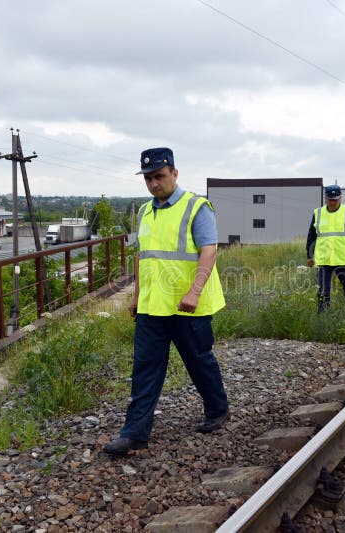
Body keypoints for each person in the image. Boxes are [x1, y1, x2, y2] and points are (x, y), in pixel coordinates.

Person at [104, 147, 229, 456]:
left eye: (159, 176)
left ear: (174, 173)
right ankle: (135, 433)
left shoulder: (196, 207)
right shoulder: (146, 211)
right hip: (152, 306)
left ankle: (218, 409)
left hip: (188, 305)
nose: (154, 183)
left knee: (199, 360)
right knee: (145, 368)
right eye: (148, 178)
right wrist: (135, 296)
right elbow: (142, 256)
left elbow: (209, 251)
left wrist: (195, 292)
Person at [306, 184, 345, 311]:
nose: (333, 202)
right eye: (330, 199)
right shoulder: (318, 213)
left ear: (340, 198)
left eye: (335, 199)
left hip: (344, 258)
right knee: (322, 290)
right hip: (324, 258)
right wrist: (309, 256)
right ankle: (323, 315)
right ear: (325, 198)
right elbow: (311, 236)